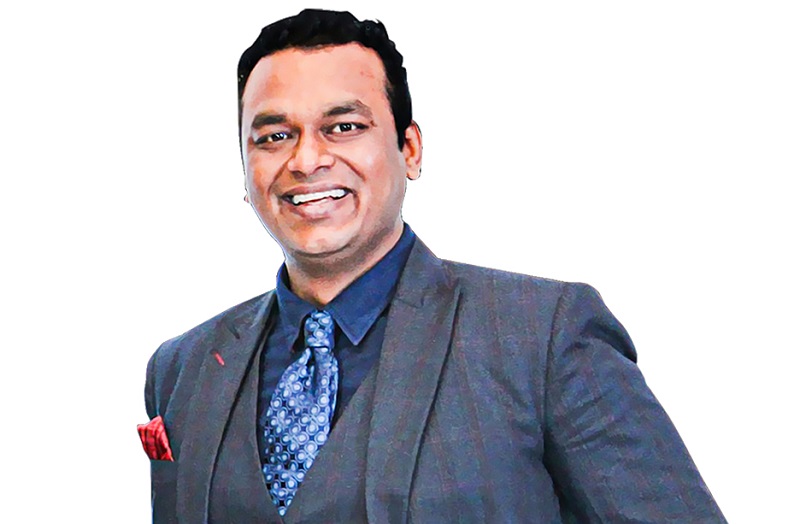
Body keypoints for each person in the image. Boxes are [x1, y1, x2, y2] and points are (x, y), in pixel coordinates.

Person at [140, 8, 726, 523]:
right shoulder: (181, 369)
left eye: (344, 127)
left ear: (410, 149)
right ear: (246, 171)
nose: (307, 159)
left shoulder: (543, 336)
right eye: (273, 136)